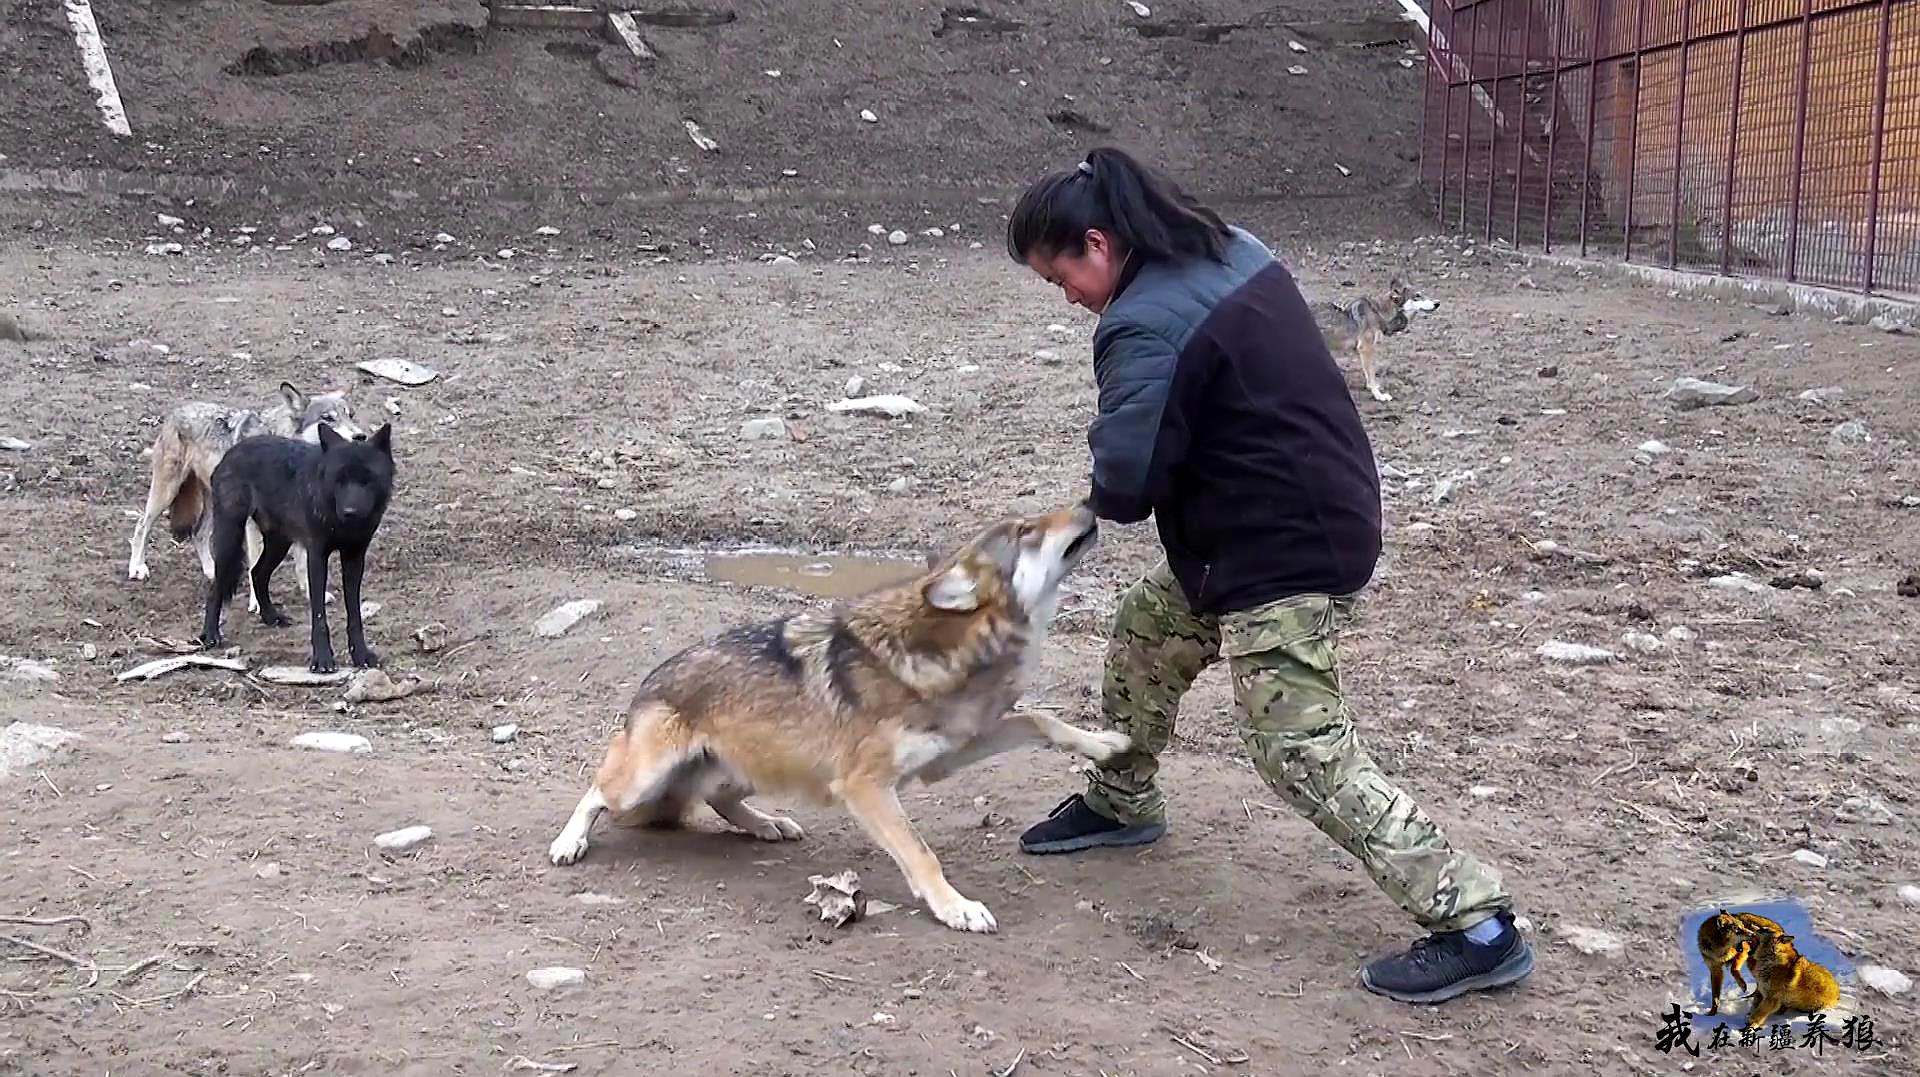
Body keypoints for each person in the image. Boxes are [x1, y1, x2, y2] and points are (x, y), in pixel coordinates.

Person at [1004, 146, 1534, 1005]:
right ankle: (1122, 797)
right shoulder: (1226, 246)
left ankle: (1477, 922)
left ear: (1097, 244)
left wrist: (1096, 476)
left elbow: (1129, 485)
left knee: (1294, 744)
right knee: (1149, 630)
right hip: (1274, 521)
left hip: (1285, 547)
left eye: (1058, 275)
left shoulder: (1140, 323)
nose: (1064, 296)